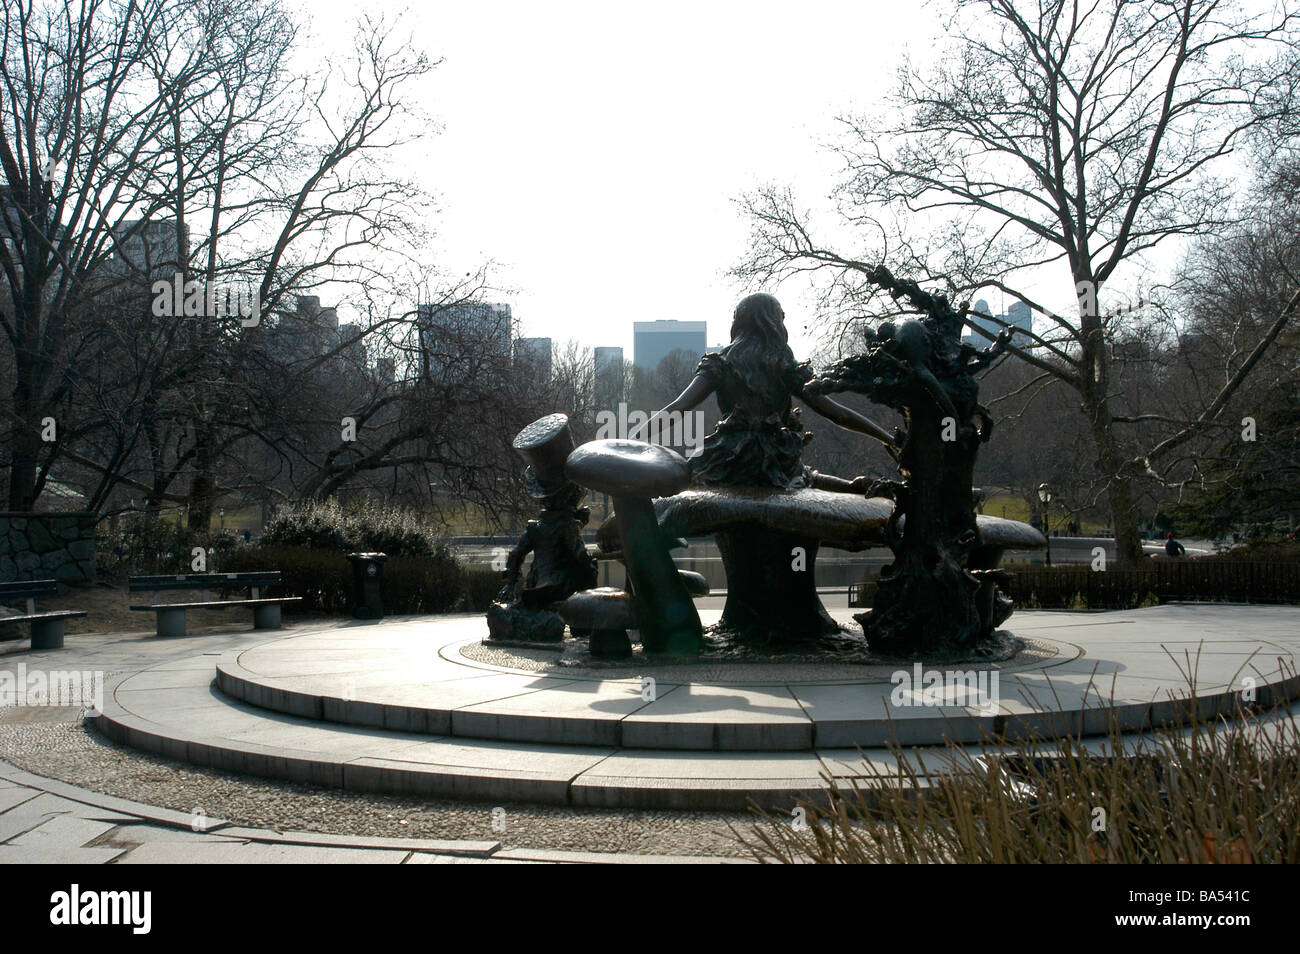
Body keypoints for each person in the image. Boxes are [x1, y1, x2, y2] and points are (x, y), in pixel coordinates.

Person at [633, 293, 897, 490]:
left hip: (728, 459)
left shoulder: (720, 363)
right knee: (804, 476)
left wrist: (634, 438)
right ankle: (852, 488)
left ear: (740, 322)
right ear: (774, 322)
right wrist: (887, 438)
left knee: (686, 474)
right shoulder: (785, 364)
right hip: (777, 459)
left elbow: (679, 407)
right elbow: (836, 413)